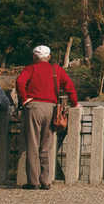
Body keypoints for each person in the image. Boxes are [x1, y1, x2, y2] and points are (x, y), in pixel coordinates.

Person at [15, 45, 78, 190]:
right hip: (51, 108)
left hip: (33, 107)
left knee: (32, 144)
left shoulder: (30, 69)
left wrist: (24, 98)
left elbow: (20, 82)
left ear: (34, 57)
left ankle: (33, 181)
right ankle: (45, 180)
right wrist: (74, 102)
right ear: (49, 57)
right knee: (46, 145)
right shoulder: (56, 69)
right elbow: (69, 86)